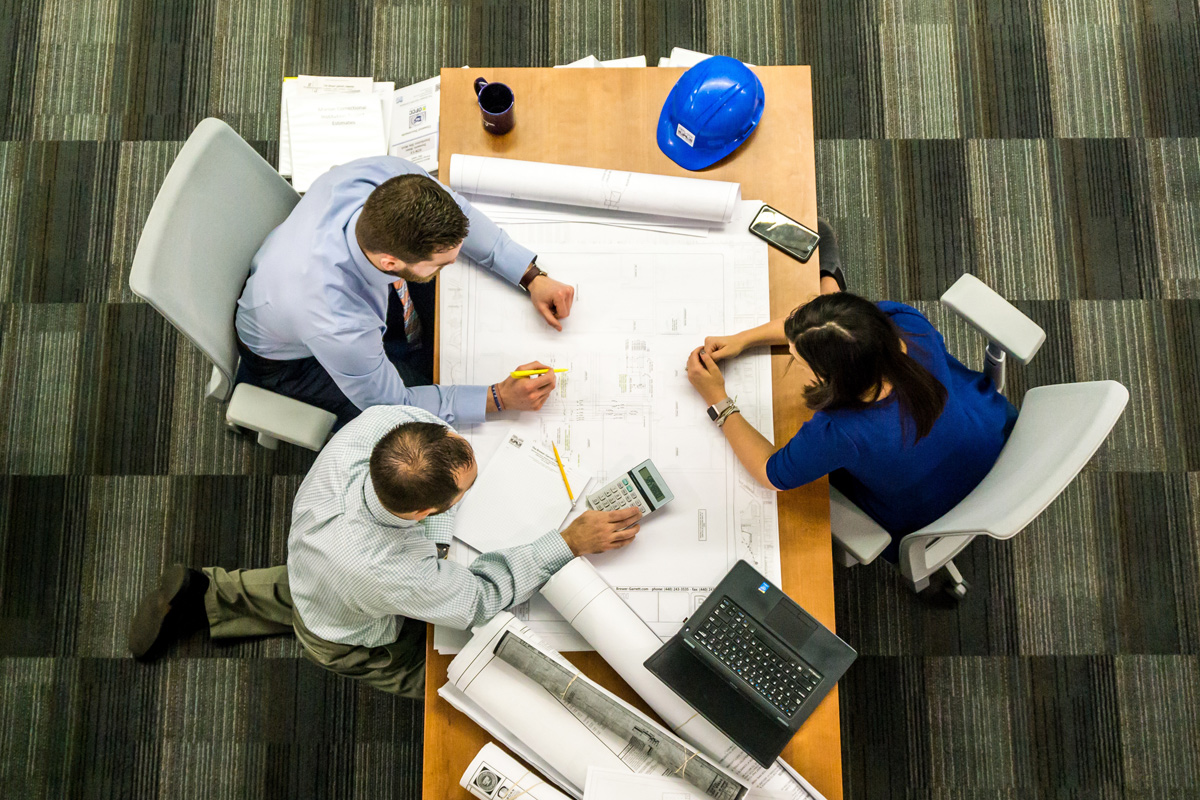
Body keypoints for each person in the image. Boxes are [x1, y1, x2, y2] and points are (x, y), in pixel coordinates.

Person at [127, 405, 642, 697]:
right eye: (465, 492)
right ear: (423, 513)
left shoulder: (382, 425)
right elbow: (479, 599)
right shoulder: (386, 570)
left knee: (311, 586)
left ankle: (207, 593)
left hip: (317, 561)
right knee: (451, 678)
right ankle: (459, 689)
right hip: (349, 633)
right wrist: (566, 542)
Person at [684, 222, 1016, 562]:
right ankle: (831, 279)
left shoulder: (841, 433)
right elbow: (825, 329)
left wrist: (717, 400)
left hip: (932, 510)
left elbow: (772, 474)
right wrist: (744, 339)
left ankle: (830, 277)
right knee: (822, 245)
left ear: (833, 378)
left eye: (798, 359)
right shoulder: (903, 322)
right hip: (990, 433)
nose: (793, 360)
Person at [236, 155, 578, 429]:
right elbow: (393, 405)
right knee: (419, 429)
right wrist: (498, 398)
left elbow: (462, 214)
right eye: (442, 263)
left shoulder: (388, 176)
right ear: (390, 262)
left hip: (295, 277)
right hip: (292, 361)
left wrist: (530, 275)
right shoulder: (337, 321)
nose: (454, 262)